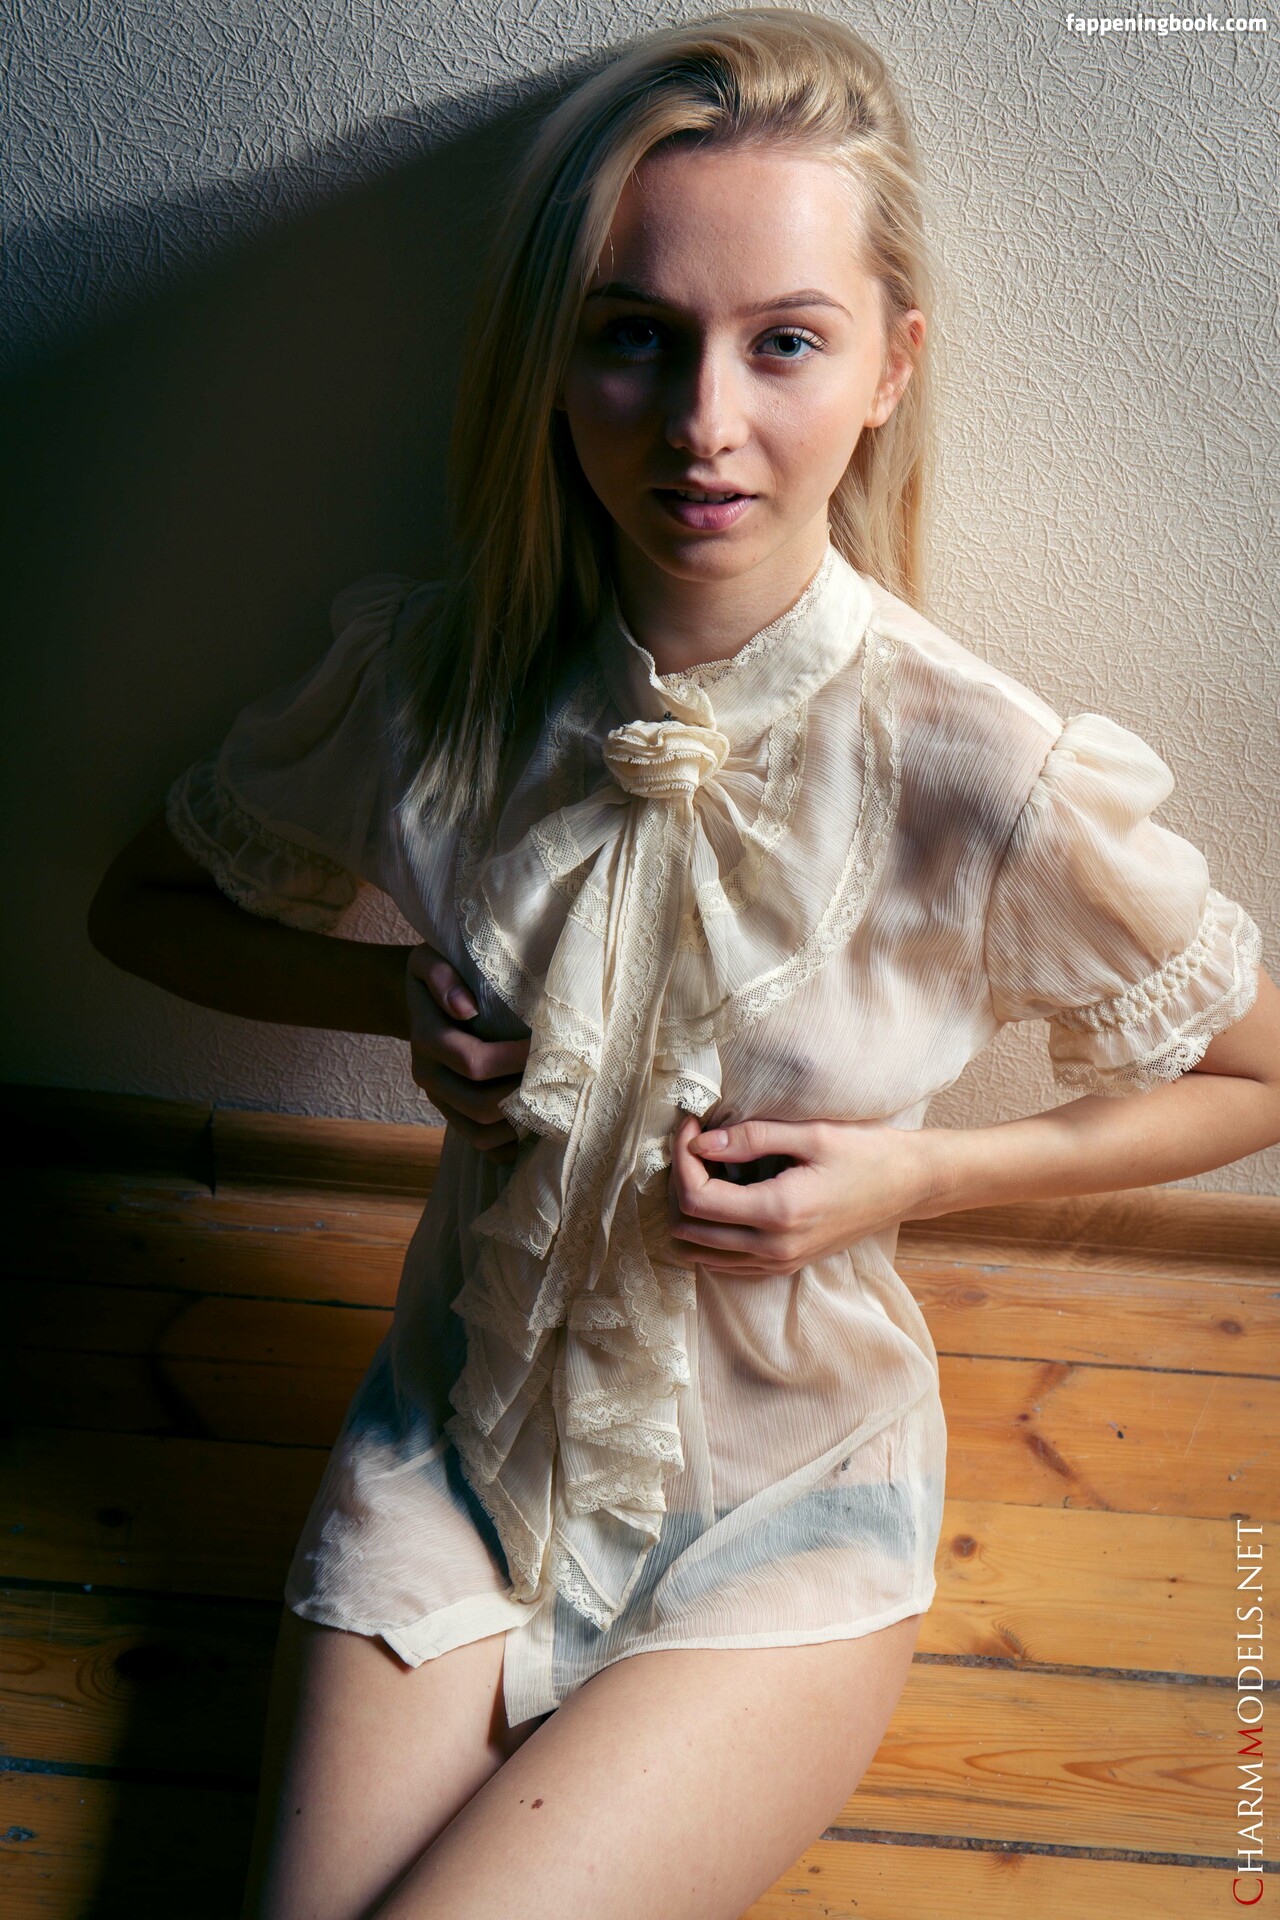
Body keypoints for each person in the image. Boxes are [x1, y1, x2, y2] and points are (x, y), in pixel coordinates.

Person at [86, 9, 1280, 1918]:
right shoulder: (426, 679)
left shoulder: (983, 767)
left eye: (784, 341)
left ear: (889, 368)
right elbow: (137, 908)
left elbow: (1256, 1074)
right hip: (456, 1449)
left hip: (785, 1508)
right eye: (634, 335)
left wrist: (916, 1174)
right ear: (554, 359)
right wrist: (385, 1000)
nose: (703, 421)